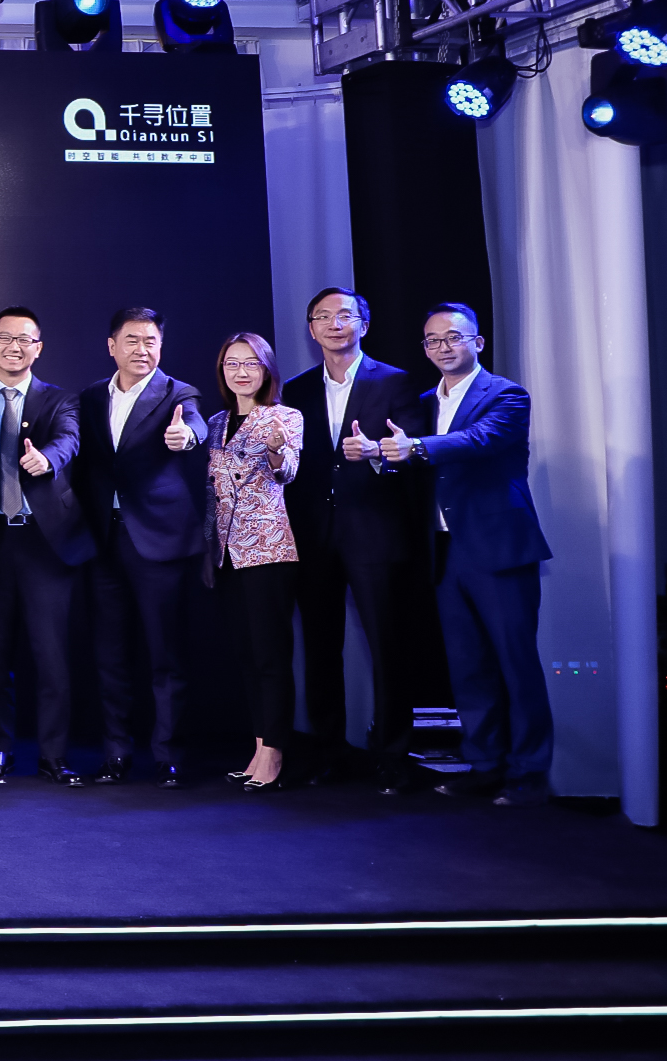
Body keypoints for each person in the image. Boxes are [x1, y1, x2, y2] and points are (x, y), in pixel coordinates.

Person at [379, 304, 552, 807]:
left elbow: (479, 440)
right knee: (467, 666)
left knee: (516, 665)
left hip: (498, 548)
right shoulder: (421, 403)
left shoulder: (506, 395)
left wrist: (415, 448)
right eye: (432, 340)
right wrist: (380, 456)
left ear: (477, 342)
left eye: (453, 337)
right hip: (444, 551)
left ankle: (529, 772)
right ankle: (484, 764)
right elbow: (413, 461)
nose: (442, 347)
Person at [282, 287, 437, 792]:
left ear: (363, 326)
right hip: (313, 535)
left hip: (375, 532)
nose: (334, 324)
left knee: (387, 645)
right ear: (311, 329)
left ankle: (392, 754)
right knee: (320, 647)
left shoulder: (395, 381)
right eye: (322, 317)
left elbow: (412, 454)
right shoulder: (296, 390)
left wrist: (376, 454)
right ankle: (328, 751)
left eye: (344, 315)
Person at [0, 307, 92, 787]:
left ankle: (54, 755)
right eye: (5, 338)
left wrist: (46, 460)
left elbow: (69, 440)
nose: (14, 347)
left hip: (44, 543)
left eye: (24, 340)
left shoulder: (60, 400)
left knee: (51, 656)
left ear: (39, 348)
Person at [75, 306, 208, 788]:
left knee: (165, 654)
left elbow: (196, 427)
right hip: (103, 540)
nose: (142, 350)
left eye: (151, 341)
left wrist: (186, 435)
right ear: (112, 346)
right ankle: (116, 753)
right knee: (109, 654)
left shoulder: (178, 393)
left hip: (159, 541)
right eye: (132, 340)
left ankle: (168, 755)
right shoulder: (92, 396)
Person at [204, 333, 302, 792]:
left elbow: (288, 471)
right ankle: (259, 746)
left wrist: (278, 450)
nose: (241, 372)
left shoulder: (285, 416)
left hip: (266, 550)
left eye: (251, 363)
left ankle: (275, 752)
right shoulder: (215, 421)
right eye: (232, 364)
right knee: (246, 654)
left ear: (266, 370)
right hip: (225, 553)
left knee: (271, 655)